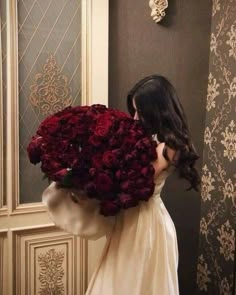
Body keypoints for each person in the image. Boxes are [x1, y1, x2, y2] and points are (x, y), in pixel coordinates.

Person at [43, 75, 200, 295]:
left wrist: (94, 168)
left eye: (140, 112)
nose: (135, 118)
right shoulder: (148, 140)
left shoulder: (171, 146)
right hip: (130, 221)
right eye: (134, 111)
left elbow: (136, 176)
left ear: (157, 109)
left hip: (146, 226)